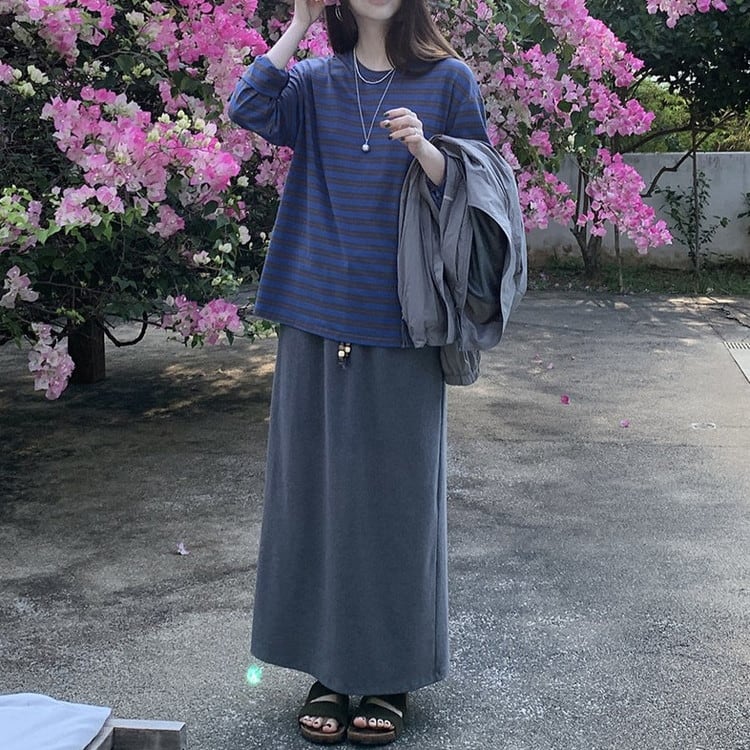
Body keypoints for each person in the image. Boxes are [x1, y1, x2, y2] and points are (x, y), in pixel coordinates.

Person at [228, 0, 489, 743]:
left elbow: (480, 193)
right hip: (313, 313)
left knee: (396, 508)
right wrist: (298, 25)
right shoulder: (314, 81)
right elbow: (249, 105)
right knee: (314, 502)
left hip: (403, 322)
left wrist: (428, 152)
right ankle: (329, 671)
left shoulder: (449, 80)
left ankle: (389, 673)